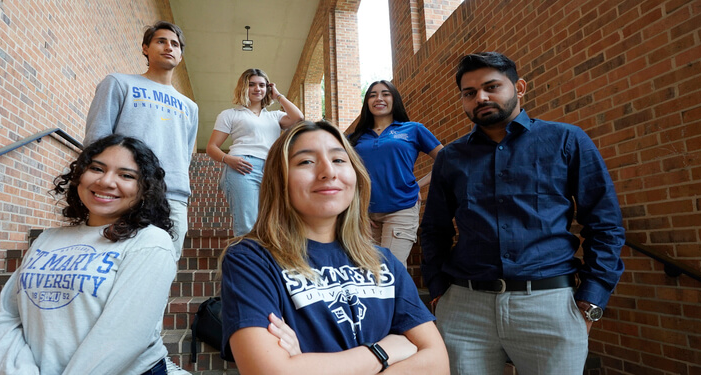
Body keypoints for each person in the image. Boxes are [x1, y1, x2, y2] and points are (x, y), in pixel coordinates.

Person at [420, 52, 626, 374]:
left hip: (550, 304)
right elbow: (434, 229)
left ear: (519, 86)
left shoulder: (566, 140)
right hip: (465, 307)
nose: (481, 98)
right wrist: (437, 289)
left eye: (492, 86)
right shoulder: (451, 158)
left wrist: (593, 297)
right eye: (469, 92)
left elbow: (605, 223)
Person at [219, 121, 449, 374]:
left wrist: (305, 363)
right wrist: (383, 352)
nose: (328, 172)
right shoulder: (252, 260)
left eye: (339, 160)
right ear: (279, 179)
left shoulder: (382, 261)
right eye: (306, 162)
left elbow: (437, 363)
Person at [0, 135, 182, 374]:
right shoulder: (47, 239)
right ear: (79, 175)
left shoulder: (150, 242)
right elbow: (6, 317)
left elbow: (124, 335)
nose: (106, 181)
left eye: (126, 175)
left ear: (145, 189)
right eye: (97, 168)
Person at [85, 21, 198, 262]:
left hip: (172, 195)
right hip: (123, 189)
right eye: (161, 41)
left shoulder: (190, 106)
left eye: (175, 44)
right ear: (145, 48)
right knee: (109, 264)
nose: (169, 47)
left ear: (180, 54)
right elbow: (96, 141)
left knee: (160, 270)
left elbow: (185, 153)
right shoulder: (118, 83)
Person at [349, 80, 442, 265]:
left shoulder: (413, 129)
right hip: (365, 214)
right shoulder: (355, 137)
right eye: (373, 95)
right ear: (367, 102)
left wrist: (418, 185)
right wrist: (356, 210)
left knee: (391, 270)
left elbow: (445, 159)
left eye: (385, 93)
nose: (379, 98)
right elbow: (345, 176)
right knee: (367, 272)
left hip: (401, 208)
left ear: (394, 99)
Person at [206, 68, 304, 236]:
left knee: (273, 222)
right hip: (242, 168)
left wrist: (278, 96)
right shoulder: (230, 114)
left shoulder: (275, 116)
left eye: (262, 85)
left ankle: (266, 260)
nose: (257, 89)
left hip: (272, 169)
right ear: (243, 87)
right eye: (251, 85)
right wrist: (227, 159)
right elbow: (211, 147)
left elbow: (298, 118)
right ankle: (247, 261)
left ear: (268, 89)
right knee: (247, 225)